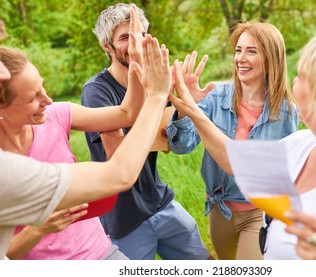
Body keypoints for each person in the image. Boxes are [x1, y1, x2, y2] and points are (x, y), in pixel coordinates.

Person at [169, 24, 316, 259]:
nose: (293, 81)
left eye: (302, 77)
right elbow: (234, 161)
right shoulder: (302, 144)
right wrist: (191, 110)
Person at [0, 33, 173, 260]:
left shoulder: (55, 114)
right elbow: (6, 255)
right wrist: (38, 230)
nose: (47, 100)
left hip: (103, 252)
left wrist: (136, 67)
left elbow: (126, 113)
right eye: (33, 97)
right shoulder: (8, 170)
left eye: (42, 87)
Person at [81, 3, 210, 260]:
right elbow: (117, 154)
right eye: (125, 37)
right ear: (106, 46)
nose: (135, 44)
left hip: (160, 201)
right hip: (124, 219)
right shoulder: (97, 91)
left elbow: (172, 144)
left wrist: (185, 107)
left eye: (139, 35)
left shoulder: (154, 83)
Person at [166, 21, 299, 260]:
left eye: (252, 51)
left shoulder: (287, 111)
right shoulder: (216, 96)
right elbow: (181, 146)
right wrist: (188, 108)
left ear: (271, 58)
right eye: (238, 50)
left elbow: (283, 170)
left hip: (260, 211)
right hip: (221, 211)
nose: (241, 58)